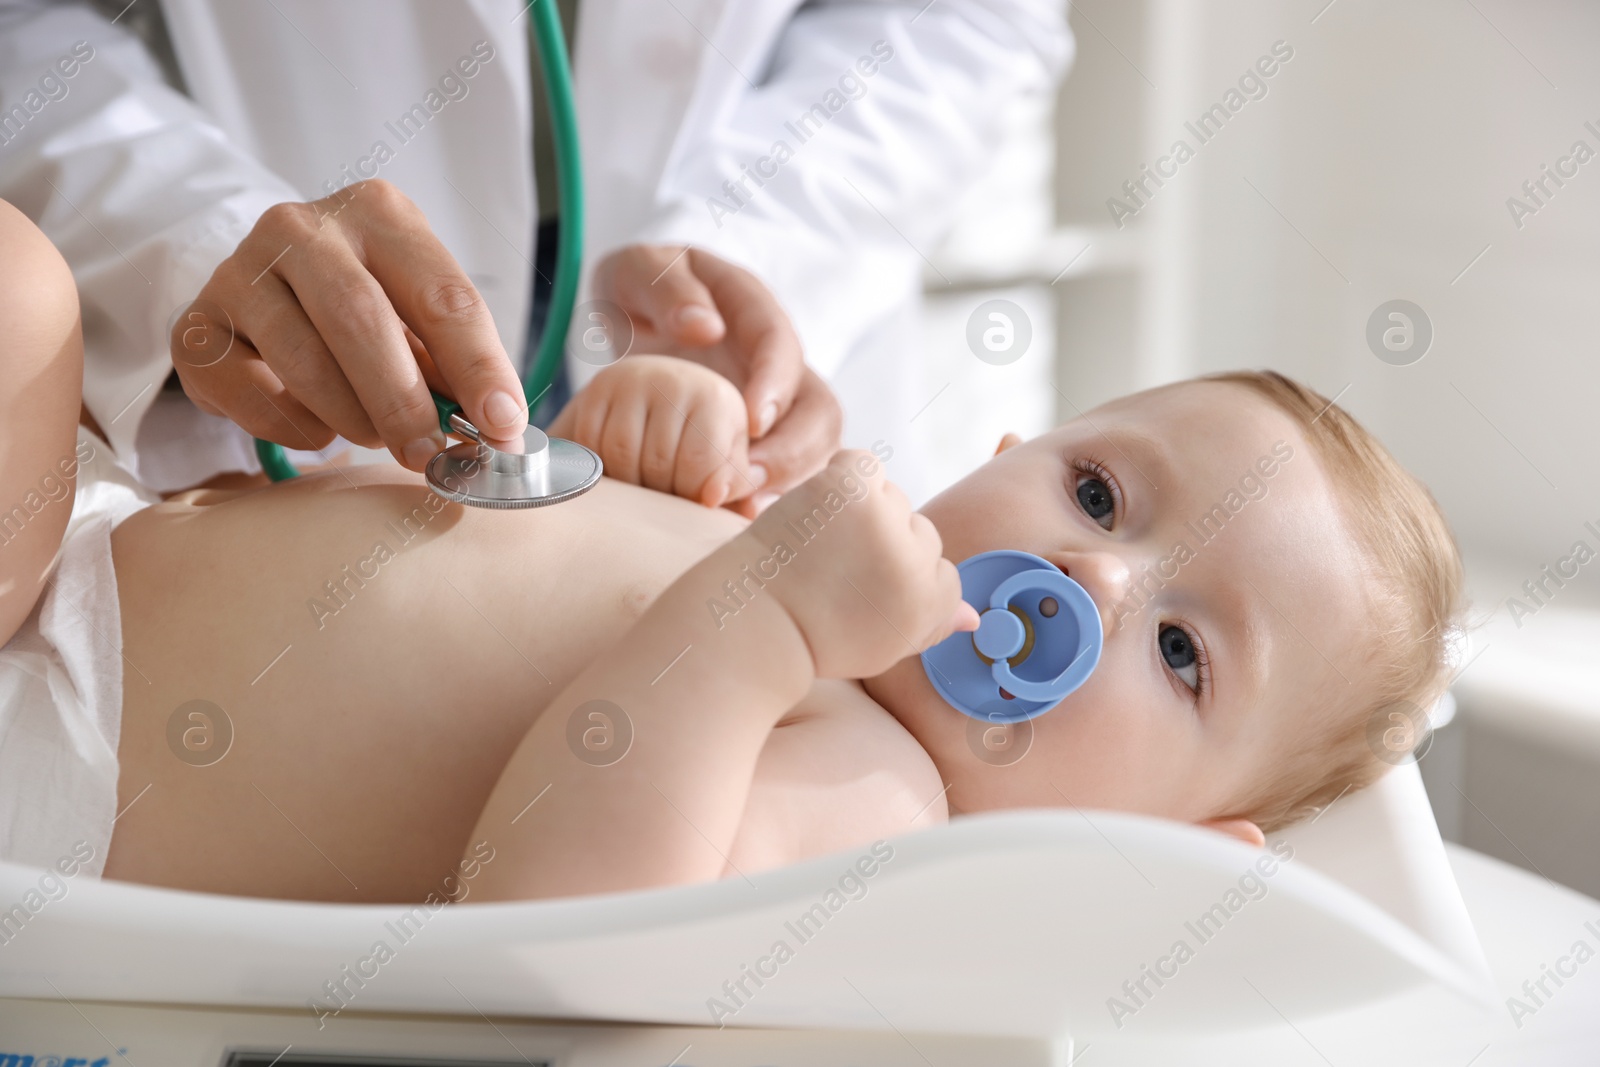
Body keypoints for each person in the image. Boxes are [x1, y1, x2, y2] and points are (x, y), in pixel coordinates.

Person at [0, 203, 1466, 900]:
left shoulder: (879, 798)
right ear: (1005, 452)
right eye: (1094, 492)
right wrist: (638, 450)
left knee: (21, 288)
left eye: (1181, 650)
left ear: (1175, 852)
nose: (1097, 582)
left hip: (65, 751)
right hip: (93, 552)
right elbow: (553, 585)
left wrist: (759, 614)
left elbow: (567, 918)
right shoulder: (805, 574)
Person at [0, 0, 1072, 504]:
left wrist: (753, 246)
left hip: (745, 310)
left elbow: (969, 16)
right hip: (272, 373)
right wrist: (193, 231)